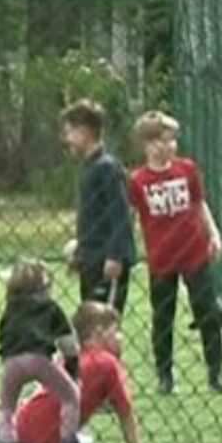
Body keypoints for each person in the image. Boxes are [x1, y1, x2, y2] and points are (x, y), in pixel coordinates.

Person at [0, 301, 158, 443]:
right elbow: (125, 413)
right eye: (115, 331)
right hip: (48, 441)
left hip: (25, 419)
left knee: (1, 432)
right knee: (77, 442)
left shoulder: (72, 358)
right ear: (97, 334)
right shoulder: (107, 364)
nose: (120, 337)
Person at [127, 111, 222, 395]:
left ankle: (216, 371)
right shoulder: (138, 181)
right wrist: (132, 246)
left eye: (173, 140)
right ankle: (165, 374)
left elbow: (199, 204)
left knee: (207, 311)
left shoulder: (187, 169)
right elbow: (134, 216)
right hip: (162, 258)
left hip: (194, 252)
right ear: (148, 144)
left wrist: (214, 234)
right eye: (163, 140)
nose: (170, 146)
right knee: (163, 317)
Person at [0, 259, 81, 443]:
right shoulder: (50, 307)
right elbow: (69, 344)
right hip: (39, 358)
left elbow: (3, 337)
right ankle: (68, 442)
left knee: (7, 406)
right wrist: (72, 368)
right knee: (70, 397)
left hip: (12, 362)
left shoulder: (11, 309)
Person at [60, 99, 136, 315]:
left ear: (85, 131)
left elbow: (120, 214)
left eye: (70, 133)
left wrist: (115, 256)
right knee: (91, 321)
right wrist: (81, 249)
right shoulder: (89, 166)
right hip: (92, 259)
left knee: (104, 323)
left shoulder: (107, 167)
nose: (67, 140)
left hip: (106, 262)